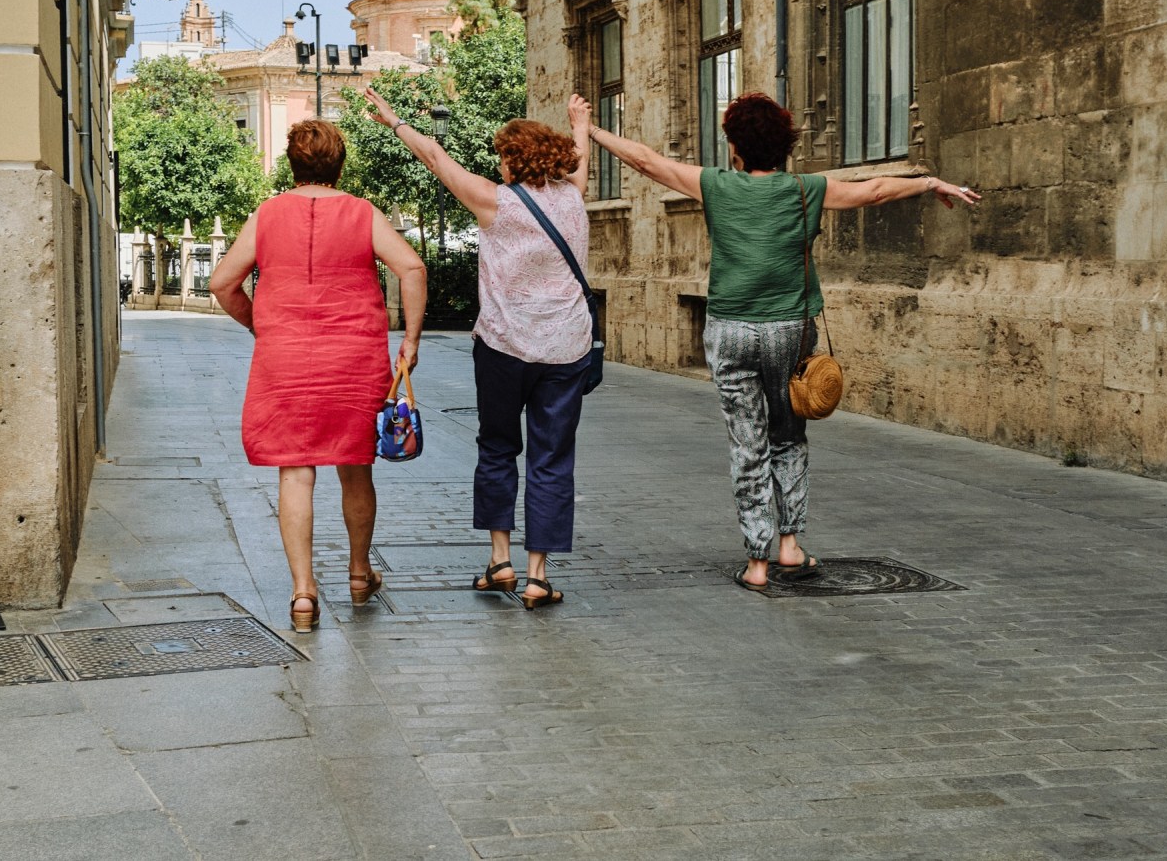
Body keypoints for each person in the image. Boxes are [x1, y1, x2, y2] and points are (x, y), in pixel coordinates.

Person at [581, 91, 980, 592]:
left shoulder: (716, 185)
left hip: (730, 330)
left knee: (747, 445)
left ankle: (756, 561)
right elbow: (874, 190)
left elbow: (646, 161)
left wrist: (591, 130)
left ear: (735, 147)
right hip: (790, 330)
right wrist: (930, 182)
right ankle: (790, 544)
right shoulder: (804, 189)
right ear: (786, 146)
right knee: (788, 435)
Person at [363, 88, 592, 610]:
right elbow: (579, 169)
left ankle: (500, 560)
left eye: (502, 156)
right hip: (566, 349)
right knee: (552, 459)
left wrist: (396, 122)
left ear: (514, 158)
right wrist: (578, 123)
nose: (499, 164)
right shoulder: (574, 197)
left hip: (504, 348)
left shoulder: (496, 201)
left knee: (496, 448)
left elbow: (436, 157)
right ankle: (538, 576)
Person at [210, 120, 427, 632]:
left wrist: (260, 325)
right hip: (353, 357)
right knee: (355, 466)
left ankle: (303, 593)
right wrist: (411, 342)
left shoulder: (266, 214)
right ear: (338, 163)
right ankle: (357, 573)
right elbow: (412, 268)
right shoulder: (360, 212)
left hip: (284, 358)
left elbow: (222, 282)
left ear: (292, 161)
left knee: (296, 468)